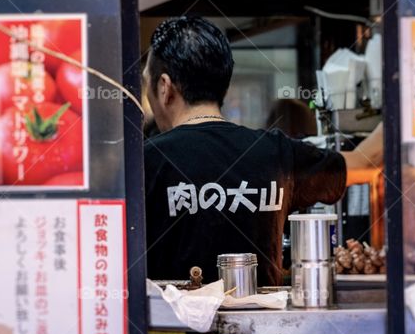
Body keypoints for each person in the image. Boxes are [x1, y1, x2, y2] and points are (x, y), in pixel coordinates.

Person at [143, 16, 382, 286]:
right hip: (265, 325)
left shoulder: (144, 162)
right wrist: (407, 99)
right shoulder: (275, 153)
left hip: (170, 328)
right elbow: (368, 162)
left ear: (164, 87)